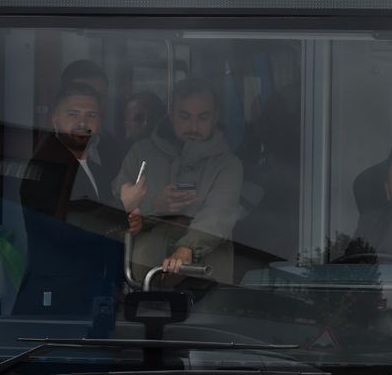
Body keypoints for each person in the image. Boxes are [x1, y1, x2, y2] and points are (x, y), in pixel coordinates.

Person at [117, 80, 244, 283]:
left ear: (215, 117)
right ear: (171, 114)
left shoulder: (228, 164)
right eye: (185, 117)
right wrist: (154, 204)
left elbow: (219, 213)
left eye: (203, 118)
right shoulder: (140, 153)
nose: (193, 127)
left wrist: (189, 248)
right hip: (144, 278)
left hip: (207, 278)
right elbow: (116, 204)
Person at [20, 81, 133, 240]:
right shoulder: (45, 167)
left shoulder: (96, 170)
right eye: (73, 114)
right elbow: (66, 228)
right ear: (55, 120)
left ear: (100, 123)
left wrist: (126, 225)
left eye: (91, 115)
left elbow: (103, 230)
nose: (83, 123)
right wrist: (122, 205)